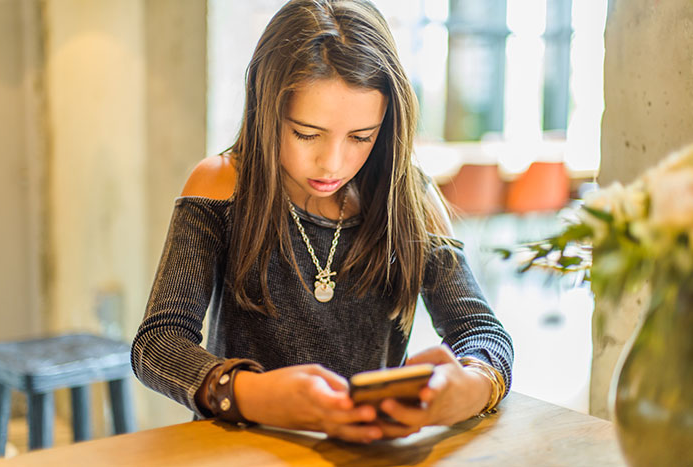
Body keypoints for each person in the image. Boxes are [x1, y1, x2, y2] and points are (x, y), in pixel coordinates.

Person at [132, 0, 513, 444]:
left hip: (367, 452)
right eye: (306, 134)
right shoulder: (222, 184)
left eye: (360, 137)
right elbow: (158, 343)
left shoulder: (407, 196)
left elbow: (482, 332)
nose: (333, 162)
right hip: (241, 450)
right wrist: (253, 394)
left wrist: (471, 386)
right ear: (266, 109)